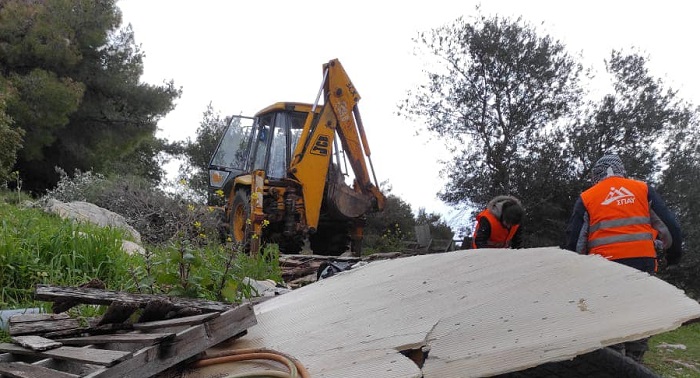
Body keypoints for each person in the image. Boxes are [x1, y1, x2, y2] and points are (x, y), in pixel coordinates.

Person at [564, 154, 683, 362]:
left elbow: (577, 241)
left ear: (596, 176)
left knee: (611, 323)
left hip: (604, 269)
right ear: (621, 170)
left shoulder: (588, 197)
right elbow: (670, 227)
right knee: (639, 319)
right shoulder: (642, 190)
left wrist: (573, 271)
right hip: (642, 266)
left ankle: (615, 365)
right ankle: (635, 363)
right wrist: (673, 257)